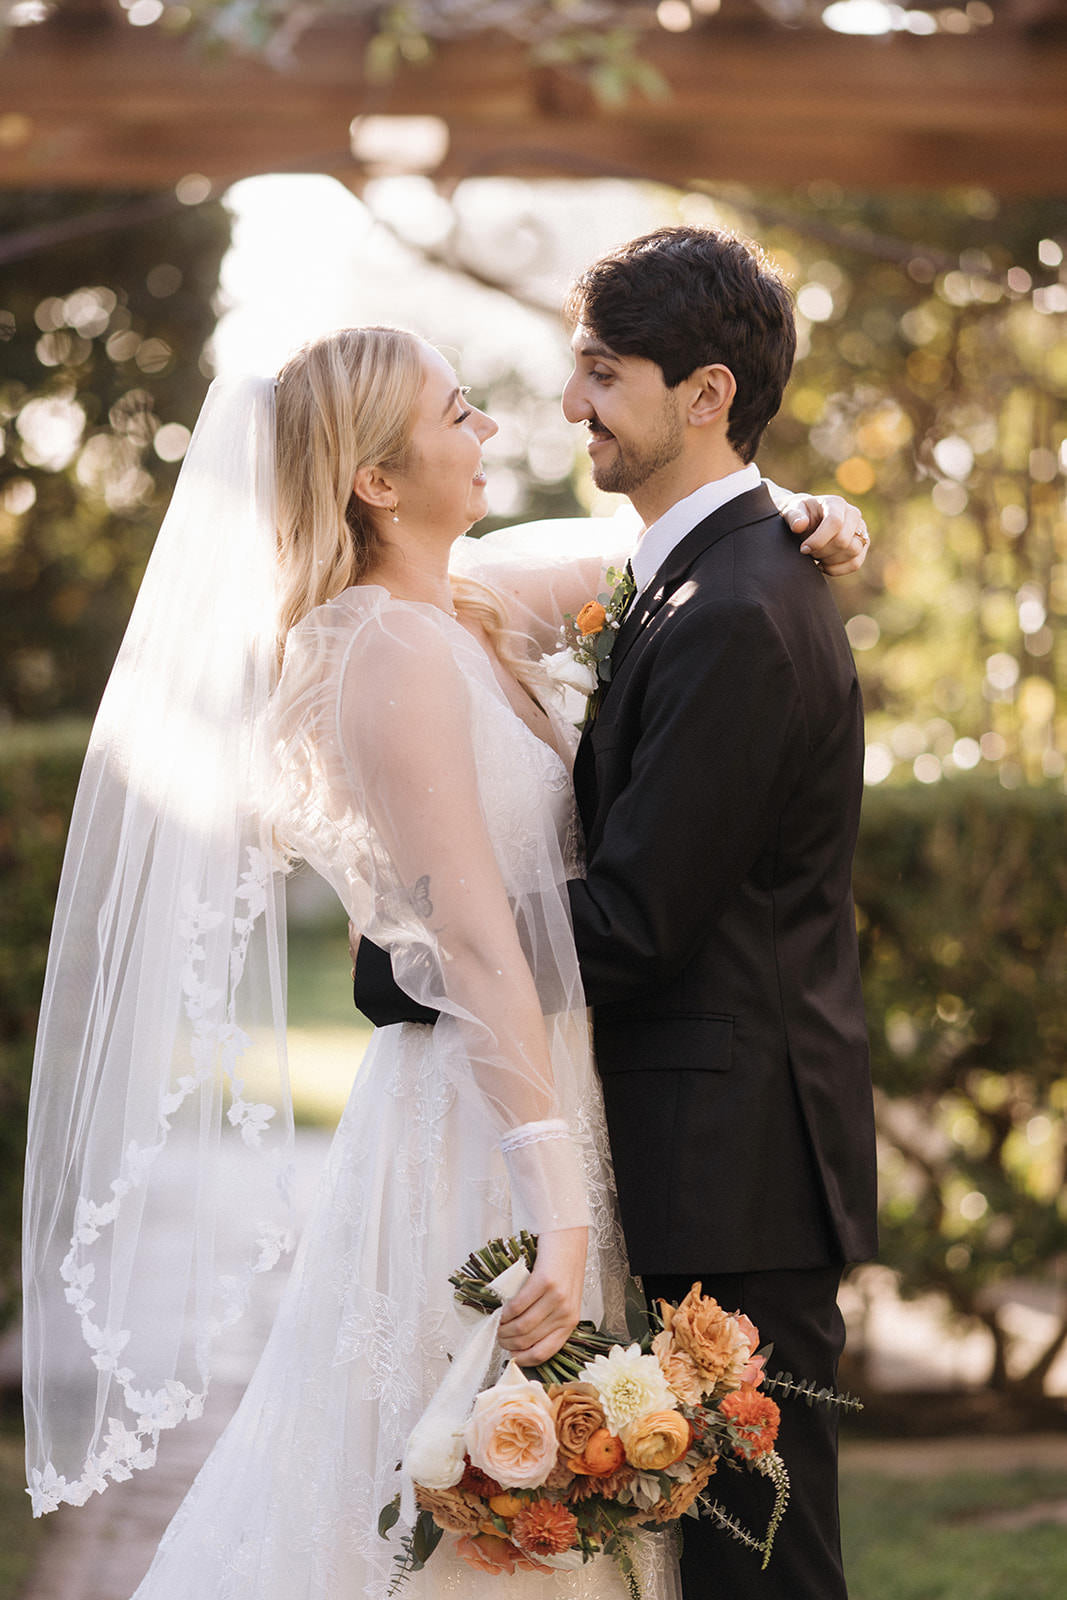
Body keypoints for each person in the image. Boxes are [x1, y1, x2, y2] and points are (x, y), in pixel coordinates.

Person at [23, 317, 865, 1598]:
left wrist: (807, 509)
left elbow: (673, 536)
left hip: (563, 1086)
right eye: (456, 413)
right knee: (469, 1513)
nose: (491, 430)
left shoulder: (470, 597)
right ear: (374, 478)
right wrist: (559, 1215)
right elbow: (471, 936)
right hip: (482, 1130)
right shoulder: (380, 650)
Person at [355, 227, 879, 1600]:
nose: (570, 403)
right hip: (696, 1143)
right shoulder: (693, 576)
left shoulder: (735, 609)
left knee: (761, 1566)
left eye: (602, 372)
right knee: (703, 1556)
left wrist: (414, 967)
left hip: (734, 1159)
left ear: (704, 396)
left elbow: (639, 920)